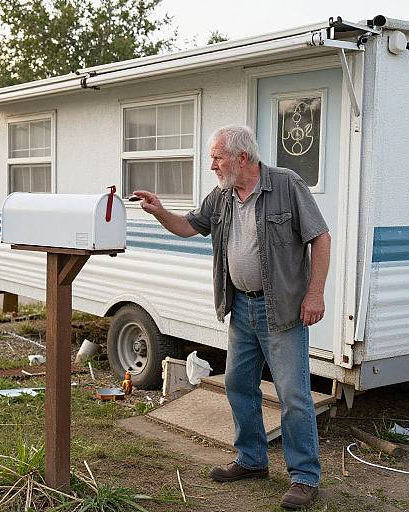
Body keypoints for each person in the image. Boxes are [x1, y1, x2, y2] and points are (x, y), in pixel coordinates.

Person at [133, 125, 330, 510]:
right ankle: (253, 460)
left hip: (283, 311)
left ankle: (304, 477)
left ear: (243, 158)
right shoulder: (222, 195)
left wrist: (316, 293)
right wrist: (159, 212)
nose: (212, 166)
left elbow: (320, 237)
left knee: (293, 395)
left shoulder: (286, 185)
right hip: (241, 307)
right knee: (239, 384)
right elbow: (189, 226)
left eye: (217, 157)